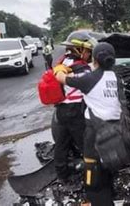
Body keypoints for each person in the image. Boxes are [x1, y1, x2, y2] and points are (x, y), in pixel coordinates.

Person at [54, 42, 120, 206]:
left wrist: (58, 69)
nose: (88, 56)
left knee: (88, 163)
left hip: (85, 123)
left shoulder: (86, 76)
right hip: (110, 126)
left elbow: (61, 78)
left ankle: (96, 197)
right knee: (102, 160)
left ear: (96, 58)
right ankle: (108, 190)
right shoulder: (116, 77)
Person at [51, 31, 96, 183]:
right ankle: (93, 176)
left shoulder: (63, 63)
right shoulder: (81, 68)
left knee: (61, 143)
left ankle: (62, 175)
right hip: (75, 110)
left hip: (61, 109)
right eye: (87, 51)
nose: (89, 54)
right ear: (79, 49)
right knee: (85, 144)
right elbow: (89, 86)